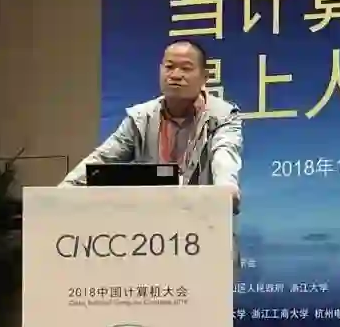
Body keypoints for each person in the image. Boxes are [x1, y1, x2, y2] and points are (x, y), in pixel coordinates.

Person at [59, 40, 242, 211]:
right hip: (152, 219)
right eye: (169, 67)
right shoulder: (141, 117)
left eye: (186, 68)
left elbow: (225, 153)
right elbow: (103, 158)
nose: (175, 75)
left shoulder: (223, 115)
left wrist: (226, 188)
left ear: (204, 77)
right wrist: (63, 191)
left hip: (203, 217)